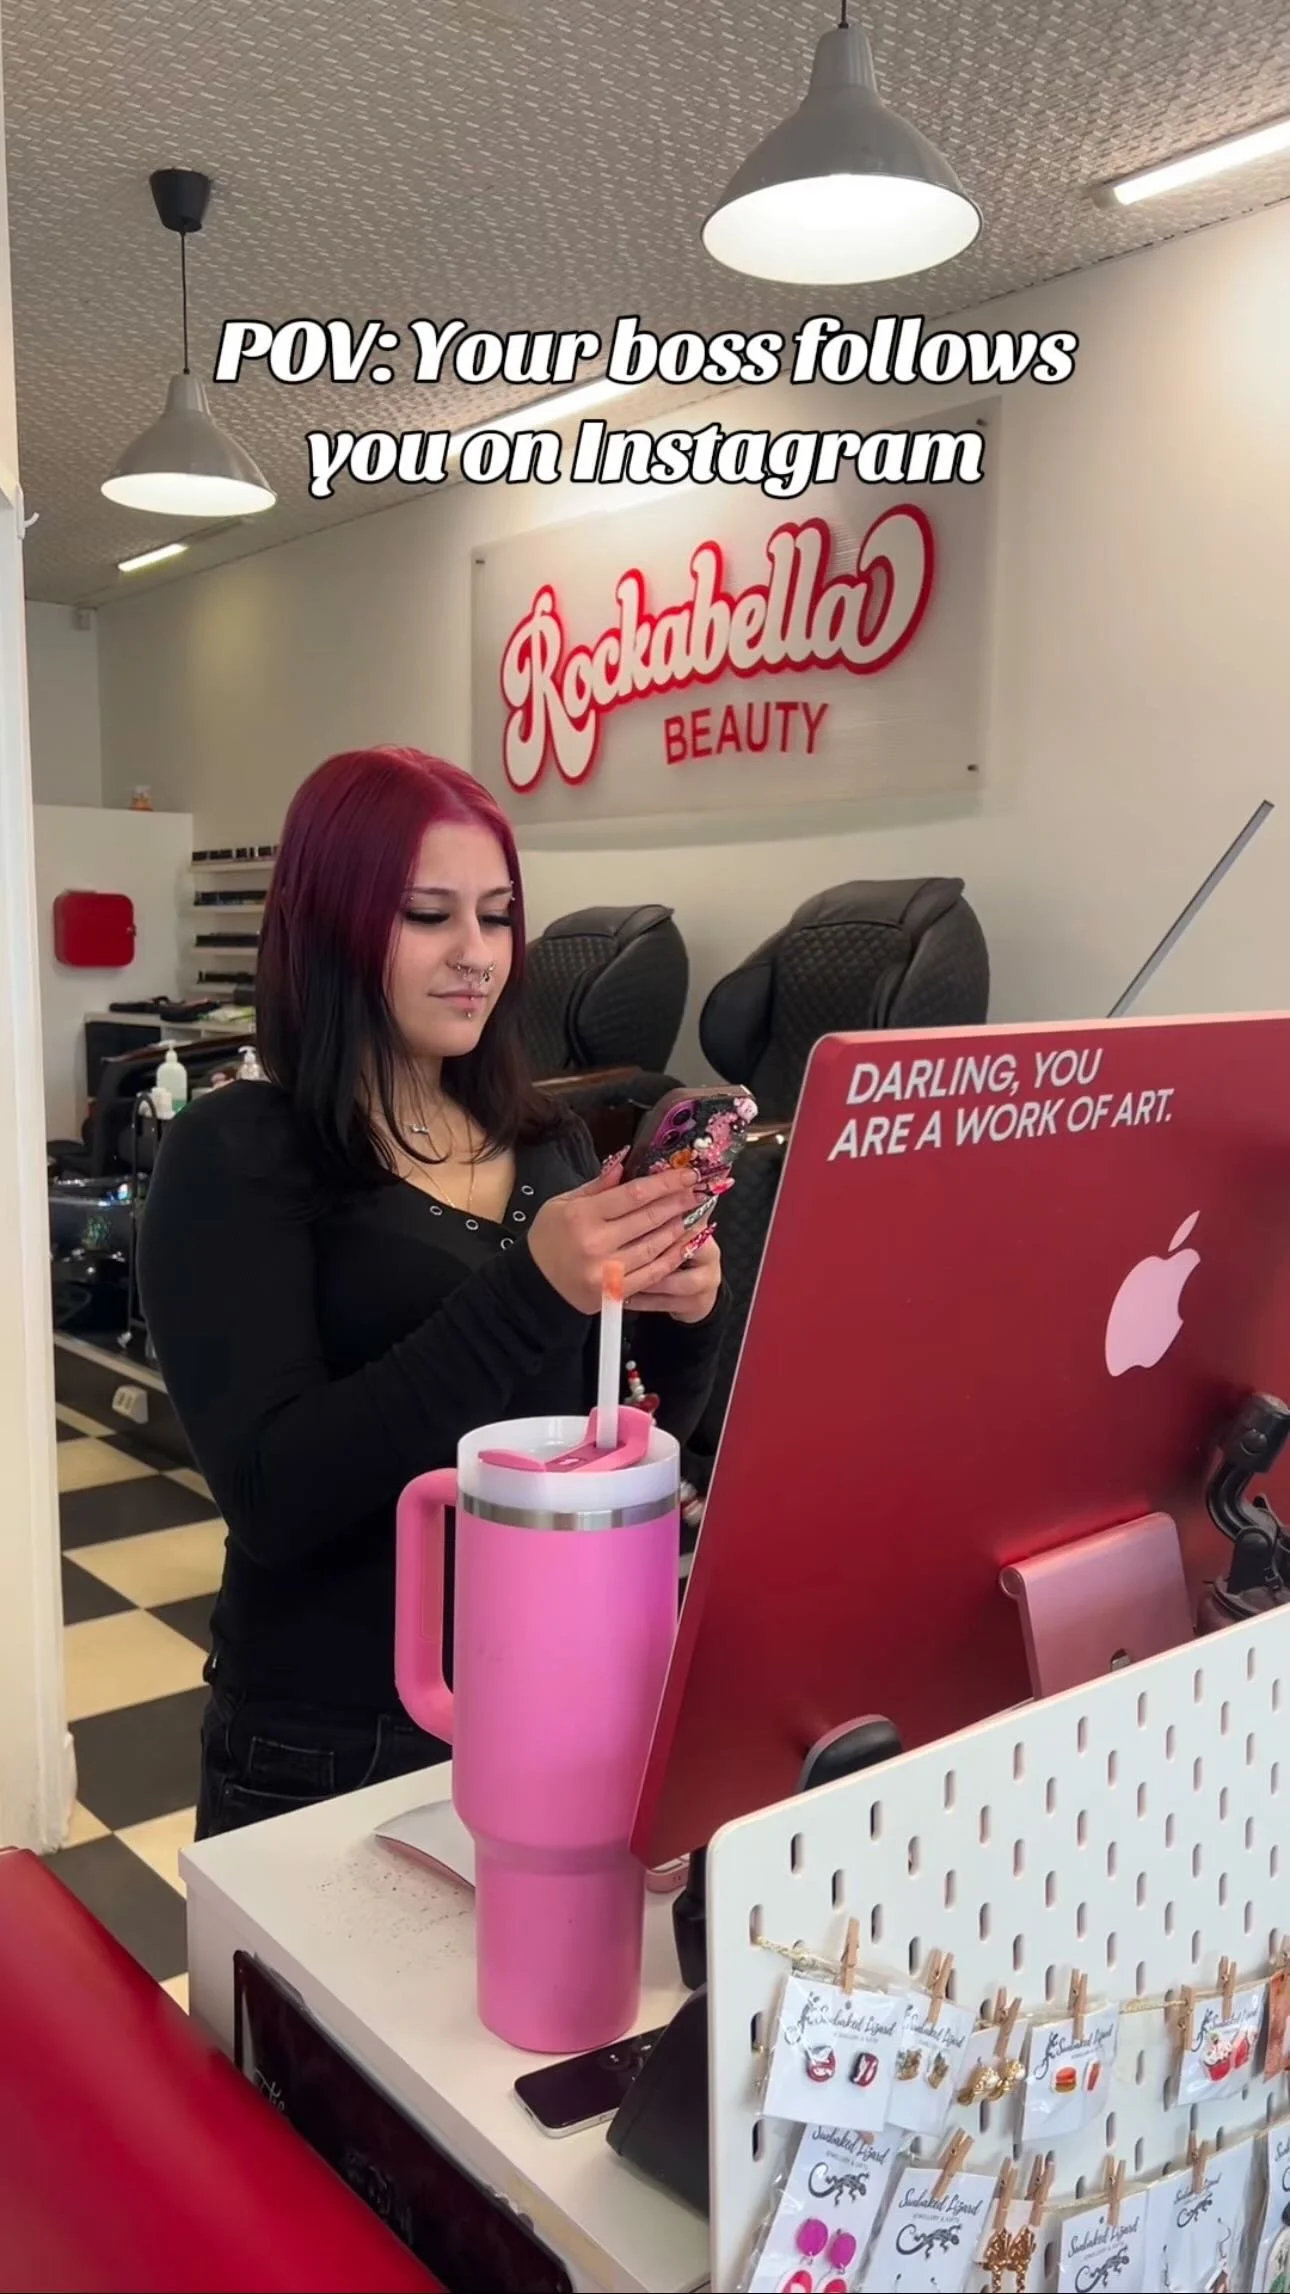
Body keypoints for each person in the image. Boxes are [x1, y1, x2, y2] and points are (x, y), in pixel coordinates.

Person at [138, 746, 726, 1838]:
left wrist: (680, 1317)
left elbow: (613, 1447)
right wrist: (531, 1290)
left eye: (498, 917)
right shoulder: (238, 1152)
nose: (476, 956)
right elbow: (273, 1495)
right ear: (330, 925)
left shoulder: (545, 1139)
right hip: (332, 1741)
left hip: (554, 1701)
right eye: (426, 915)